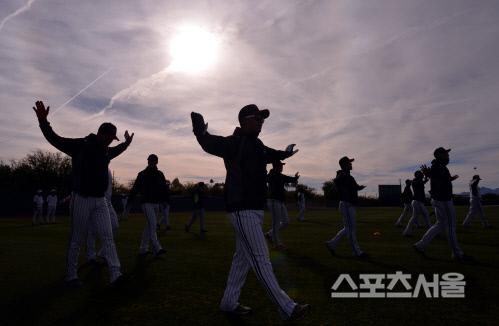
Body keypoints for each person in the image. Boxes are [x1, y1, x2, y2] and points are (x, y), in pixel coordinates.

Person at [191, 104, 310, 320]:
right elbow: (209, 143)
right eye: (258, 118)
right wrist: (200, 130)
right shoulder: (234, 143)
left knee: (242, 260)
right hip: (241, 208)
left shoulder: (258, 145)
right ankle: (286, 308)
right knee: (261, 257)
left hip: (254, 209)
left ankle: (228, 303)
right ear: (245, 120)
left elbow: (271, 154)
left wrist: (286, 153)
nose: (261, 122)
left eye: (262, 120)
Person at [33, 100, 133, 287]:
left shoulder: (105, 151)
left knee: (108, 236)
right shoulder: (81, 145)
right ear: (101, 134)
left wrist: (126, 144)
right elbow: (55, 139)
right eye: (110, 138)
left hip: (100, 200)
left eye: (113, 139)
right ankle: (71, 276)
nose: (112, 142)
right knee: (77, 238)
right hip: (81, 198)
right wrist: (43, 121)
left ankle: (115, 274)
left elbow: (116, 150)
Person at [413, 147, 471, 261]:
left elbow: (441, 179)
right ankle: (457, 254)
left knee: (440, 224)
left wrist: (450, 178)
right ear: (440, 155)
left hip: (440, 199)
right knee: (450, 226)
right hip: (443, 200)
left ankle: (420, 245)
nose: (448, 156)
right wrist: (430, 175)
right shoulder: (437, 166)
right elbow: (436, 177)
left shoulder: (440, 166)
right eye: (446, 154)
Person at [325, 156, 368, 259]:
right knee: (351, 229)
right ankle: (356, 252)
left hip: (349, 204)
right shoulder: (342, 174)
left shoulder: (349, 176)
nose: (351, 164)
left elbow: (355, 187)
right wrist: (341, 176)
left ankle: (332, 244)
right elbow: (336, 180)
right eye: (349, 163)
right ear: (344, 165)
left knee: (348, 228)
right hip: (346, 204)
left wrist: (360, 187)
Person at [128, 154, 167, 257]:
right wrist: (129, 202)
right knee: (153, 224)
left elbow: (164, 189)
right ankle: (157, 247)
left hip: (156, 203)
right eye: (150, 160)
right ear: (148, 161)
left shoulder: (159, 174)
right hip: (146, 203)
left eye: (153, 160)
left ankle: (143, 249)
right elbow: (135, 189)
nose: (152, 162)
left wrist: (165, 200)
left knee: (149, 226)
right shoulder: (142, 174)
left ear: (156, 162)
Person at [86, 169, 119, 264]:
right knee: (92, 230)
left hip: (107, 203)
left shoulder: (107, 169)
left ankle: (102, 253)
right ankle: (91, 256)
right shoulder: (92, 167)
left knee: (115, 226)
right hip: (94, 201)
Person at [264, 161, 299, 250]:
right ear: (276, 166)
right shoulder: (271, 175)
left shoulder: (280, 175)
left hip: (280, 201)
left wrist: (295, 178)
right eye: (281, 166)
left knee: (286, 221)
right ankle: (277, 244)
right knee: (276, 223)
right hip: (273, 201)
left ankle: (269, 234)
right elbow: (264, 179)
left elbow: (290, 179)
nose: (282, 167)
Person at [403, 171, 431, 236]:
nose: (422, 175)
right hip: (417, 202)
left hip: (418, 202)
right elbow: (421, 182)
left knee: (422, 215)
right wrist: (425, 176)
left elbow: (423, 182)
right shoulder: (415, 181)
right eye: (420, 174)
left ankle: (407, 232)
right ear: (417, 175)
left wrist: (426, 177)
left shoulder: (417, 181)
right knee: (418, 216)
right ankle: (407, 232)